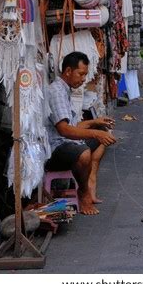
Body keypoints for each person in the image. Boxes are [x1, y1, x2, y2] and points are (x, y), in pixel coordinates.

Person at [46, 52, 116, 215]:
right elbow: (64, 130)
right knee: (84, 153)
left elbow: (72, 125)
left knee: (102, 133)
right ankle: (83, 192)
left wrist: (95, 123)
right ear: (68, 71)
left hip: (66, 141)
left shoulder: (65, 90)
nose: (84, 78)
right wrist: (94, 133)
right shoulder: (56, 91)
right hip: (56, 148)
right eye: (81, 74)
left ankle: (91, 183)